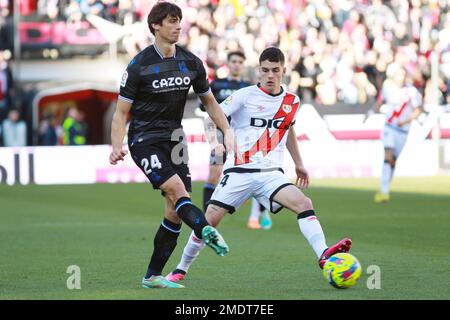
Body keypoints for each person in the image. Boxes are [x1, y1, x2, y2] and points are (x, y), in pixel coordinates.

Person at [166, 47, 352, 283]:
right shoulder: (244, 96)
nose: (270, 75)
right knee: (209, 220)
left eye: (275, 70)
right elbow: (212, 118)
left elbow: (288, 130)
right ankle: (181, 269)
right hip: (238, 172)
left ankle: (323, 254)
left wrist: (299, 164)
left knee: (304, 203)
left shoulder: (291, 101)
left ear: (284, 71)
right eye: (265, 70)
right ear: (258, 71)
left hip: (270, 174)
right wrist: (216, 144)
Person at [109, 2, 237, 289]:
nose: (179, 26)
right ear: (156, 25)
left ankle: (152, 276)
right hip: (144, 139)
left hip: (175, 139)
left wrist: (227, 130)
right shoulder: (139, 65)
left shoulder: (191, 63)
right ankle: (206, 230)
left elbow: (210, 101)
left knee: (173, 210)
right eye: (172, 21)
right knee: (178, 191)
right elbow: (120, 113)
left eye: (180, 21)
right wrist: (116, 145)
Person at [199, 50, 272, 231]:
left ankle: (260, 212)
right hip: (220, 134)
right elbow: (205, 107)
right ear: (228, 63)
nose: (237, 64)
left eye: (240, 61)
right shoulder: (217, 84)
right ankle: (205, 222)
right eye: (234, 61)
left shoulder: (249, 87)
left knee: (255, 173)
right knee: (214, 173)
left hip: (243, 136)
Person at [374, 64, 423, 203]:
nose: (400, 78)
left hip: (403, 131)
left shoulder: (412, 92)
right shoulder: (388, 87)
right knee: (388, 155)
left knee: (393, 161)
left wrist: (406, 120)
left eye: (403, 75)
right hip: (390, 127)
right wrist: (373, 111)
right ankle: (384, 193)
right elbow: (380, 100)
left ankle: (385, 188)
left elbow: (418, 110)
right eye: (398, 75)